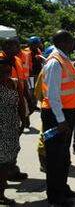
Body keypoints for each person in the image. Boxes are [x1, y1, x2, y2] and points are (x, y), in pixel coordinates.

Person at [41, 30, 75, 206]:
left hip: (66, 113)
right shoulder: (55, 62)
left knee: (63, 156)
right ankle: (55, 196)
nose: (73, 44)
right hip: (56, 115)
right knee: (55, 157)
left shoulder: (65, 60)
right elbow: (52, 94)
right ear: (63, 42)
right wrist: (61, 120)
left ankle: (62, 187)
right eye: (71, 41)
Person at [0, 38, 29, 182]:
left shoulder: (17, 60)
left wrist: (27, 102)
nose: (18, 47)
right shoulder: (1, 61)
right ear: (4, 46)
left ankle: (11, 169)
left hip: (15, 104)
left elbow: (21, 81)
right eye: (14, 45)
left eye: (18, 45)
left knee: (13, 143)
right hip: (4, 108)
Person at [0, 57, 27, 205]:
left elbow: (21, 102)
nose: (4, 74)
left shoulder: (15, 83)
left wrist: (24, 120)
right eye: (1, 72)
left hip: (11, 126)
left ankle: (1, 190)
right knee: (2, 163)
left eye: (7, 71)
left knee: (8, 160)